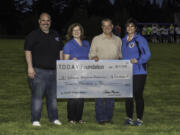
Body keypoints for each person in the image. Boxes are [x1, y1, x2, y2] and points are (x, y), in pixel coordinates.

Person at [24, 12, 63, 126]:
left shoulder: (56, 34)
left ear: (50, 22)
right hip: (38, 71)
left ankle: (54, 118)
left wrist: (61, 67)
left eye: (48, 20)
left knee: (53, 98)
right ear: (39, 22)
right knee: (37, 97)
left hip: (54, 71)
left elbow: (61, 51)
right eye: (43, 20)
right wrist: (30, 67)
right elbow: (28, 51)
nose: (46, 23)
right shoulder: (33, 35)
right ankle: (36, 120)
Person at [89, 18, 122, 125]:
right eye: (104, 25)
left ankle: (108, 117)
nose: (107, 27)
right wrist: (94, 57)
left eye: (109, 25)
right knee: (99, 96)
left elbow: (120, 56)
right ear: (102, 27)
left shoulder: (118, 40)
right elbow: (91, 54)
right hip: (99, 72)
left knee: (110, 97)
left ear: (112, 26)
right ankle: (100, 118)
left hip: (113, 73)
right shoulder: (96, 39)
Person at [122, 18, 151, 126]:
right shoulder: (123, 40)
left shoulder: (140, 39)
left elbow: (147, 54)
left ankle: (139, 119)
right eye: (128, 26)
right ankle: (129, 118)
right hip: (126, 72)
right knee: (128, 95)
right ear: (125, 28)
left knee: (138, 94)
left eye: (132, 26)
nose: (130, 28)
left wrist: (138, 60)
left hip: (139, 71)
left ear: (135, 28)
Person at [63, 23, 90, 124]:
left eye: (78, 30)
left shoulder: (86, 43)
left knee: (81, 97)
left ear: (81, 31)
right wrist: (71, 61)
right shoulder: (68, 44)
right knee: (73, 97)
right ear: (71, 32)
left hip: (84, 74)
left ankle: (79, 118)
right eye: (74, 30)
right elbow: (65, 62)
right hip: (73, 74)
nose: (76, 32)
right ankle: (71, 118)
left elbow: (90, 57)